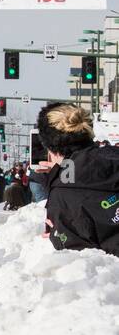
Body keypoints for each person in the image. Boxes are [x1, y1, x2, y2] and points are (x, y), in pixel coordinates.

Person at [37, 103, 119, 257]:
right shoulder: (113, 156)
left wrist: (57, 235)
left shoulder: (62, 192)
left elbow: (76, 251)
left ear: (51, 146)